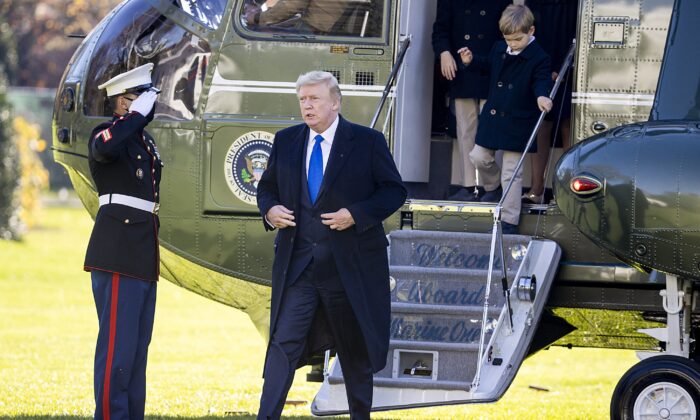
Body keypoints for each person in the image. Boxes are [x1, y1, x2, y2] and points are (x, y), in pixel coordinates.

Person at [255, 70, 407, 419]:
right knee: (282, 345)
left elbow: (394, 191)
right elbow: (267, 189)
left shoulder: (367, 142)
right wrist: (270, 210)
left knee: (354, 353)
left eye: (314, 99)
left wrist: (356, 214)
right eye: (302, 100)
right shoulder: (287, 141)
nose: (307, 106)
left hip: (348, 269)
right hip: (300, 267)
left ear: (335, 103)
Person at [84, 63, 162, 420]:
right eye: (141, 99)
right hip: (117, 250)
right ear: (123, 103)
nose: (150, 106)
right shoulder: (106, 134)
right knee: (117, 347)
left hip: (142, 250)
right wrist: (134, 119)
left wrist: (137, 123)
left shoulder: (143, 141)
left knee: (136, 351)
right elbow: (105, 150)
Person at [459, 4, 552, 233]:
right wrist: (470, 61)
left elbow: (541, 80)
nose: (513, 44)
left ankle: (509, 219)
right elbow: (486, 65)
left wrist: (542, 96)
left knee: (513, 171)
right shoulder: (499, 49)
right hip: (494, 117)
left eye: (518, 39)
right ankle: (494, 186)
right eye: (509, 39)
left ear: (531, 31)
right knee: (478, 156)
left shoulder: (539, 57)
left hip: (518, 121)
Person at [432, 0, 512, 202]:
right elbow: (440, 30)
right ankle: (469, 186)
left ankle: (492, 185)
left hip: (491, 69)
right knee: (465, 130)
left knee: (489, 131)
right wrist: (444, 53)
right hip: (462, 69)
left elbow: (508, 30)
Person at [523, 0, 577, 204]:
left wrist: (562, 65)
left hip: (569, 62)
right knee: (541, 125)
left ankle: (566, 192)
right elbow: (531, 28)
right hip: (541, 63)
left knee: (568, 124)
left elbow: (577, 28)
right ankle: (537, 189)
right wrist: (544, 66)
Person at [244, 0, 351, 35]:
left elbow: (290, 6)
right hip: (326, 29)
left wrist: (256, 18)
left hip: (315, 33)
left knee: (255, 31)